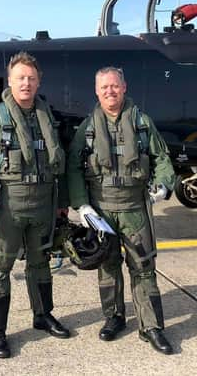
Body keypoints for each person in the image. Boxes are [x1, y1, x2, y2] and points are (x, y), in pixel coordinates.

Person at [67, 67, 176, 354]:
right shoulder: (87, 127)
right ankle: (113, 317)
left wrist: (164, 184)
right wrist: (82, 204)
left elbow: (161, 158)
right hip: (102, 210)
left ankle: (151, 326)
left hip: (135, 207)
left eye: (114, 86)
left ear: (124, 87)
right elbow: (73, 166)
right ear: (96, 91)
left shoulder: (142, 122)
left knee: (143, 268)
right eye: (104, 88)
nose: (109, 92)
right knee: (108, 266)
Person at [0, 51, 70, 359]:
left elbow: (60, 164)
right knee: (0, 266)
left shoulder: (47, 117)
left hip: (43, 204)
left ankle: (42, 315)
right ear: (10, 81)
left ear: (38, 81)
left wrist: (61, 203)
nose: (26, 83)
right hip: (9, 206)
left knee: (40, 263)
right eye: (20, 78)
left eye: (31, 78)